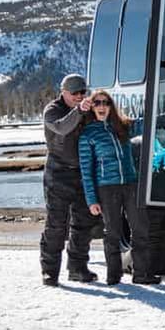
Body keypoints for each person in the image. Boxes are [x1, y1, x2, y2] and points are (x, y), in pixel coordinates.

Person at [78, 90, 160, 285]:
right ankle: (113, 276)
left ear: (110, 105)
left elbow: (151, 121)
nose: (101, 106)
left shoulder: (123, 126)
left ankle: (141, 274)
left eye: (105, 102)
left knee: (141, 229)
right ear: (92, 107)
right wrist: (91, 200)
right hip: (107, 188)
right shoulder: (88, 134)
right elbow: (86, 171)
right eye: (97, 103)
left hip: (130, 184)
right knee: (113, 233)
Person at [40, 74, 100, 287]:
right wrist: (79, 111)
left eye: (82, 92)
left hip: (83, 174)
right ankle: (49, 271)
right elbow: (62, 127)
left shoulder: (87, 108)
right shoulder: (52, 110)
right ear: (63, 92)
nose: (79, 96)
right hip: (58, 174)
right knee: (56, 225)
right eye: (74, 92)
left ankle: (77, 268)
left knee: (84, 224)